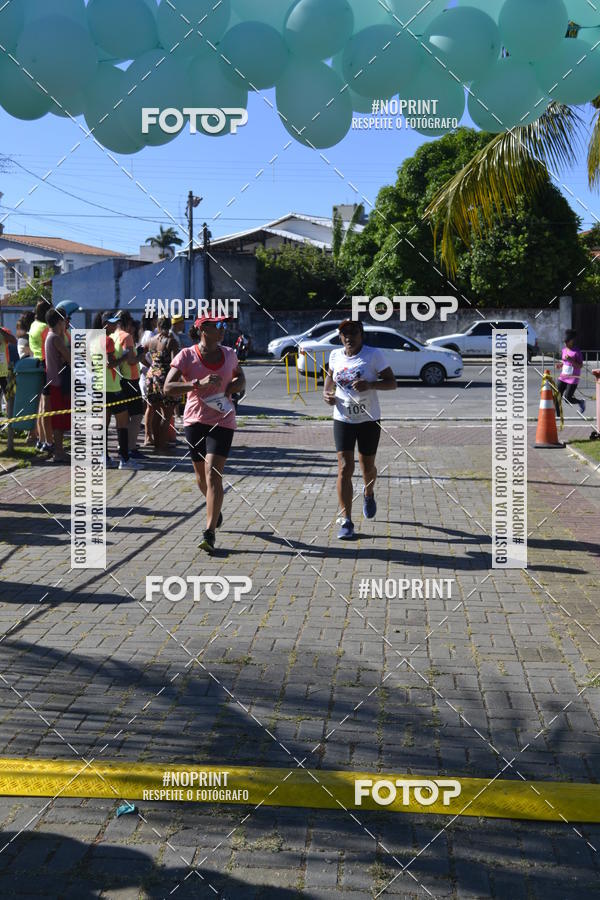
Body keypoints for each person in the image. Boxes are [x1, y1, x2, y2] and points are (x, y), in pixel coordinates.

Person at [164, 315, 245, 555]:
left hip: (223, 420)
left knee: (213, 474)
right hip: (195, 420)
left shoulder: (230, 353)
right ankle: (215, 509)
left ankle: (209, 532)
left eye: (223, 326)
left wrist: (235, 386)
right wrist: (197, 383)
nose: (223, 329)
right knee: (201, 476)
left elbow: (240, 377)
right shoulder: (187, 356)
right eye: (217, 326)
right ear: (202, 330)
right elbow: (167, 388)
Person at [323, 320, 396, 540]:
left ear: (361, 335)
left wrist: (371, 385)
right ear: (340, 336)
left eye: (353, 332)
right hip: (343, 419)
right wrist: (327, 394)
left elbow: (392, 382)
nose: (349, 337)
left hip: (368, 420)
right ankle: (346, 520)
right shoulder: (335, 355)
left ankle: (368, 492)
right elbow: (329, 377)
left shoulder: (374, 355)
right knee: (345, 467)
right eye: (344, 333)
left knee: (368, 467)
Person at [94, 311, 137, 470]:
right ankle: (124, 460)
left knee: (103, 424)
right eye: (113, 323)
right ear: (105, 324)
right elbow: (110, 364)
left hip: (98, 386)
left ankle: (104, 458)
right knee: (122, 423)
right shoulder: (107, 340)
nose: (115, 325)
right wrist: (125, 356)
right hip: (112, 387)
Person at [112, 310, 146, 459]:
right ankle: (131, 447)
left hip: (119, 380)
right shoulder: (127, 337)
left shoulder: (112, 335)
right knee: (137, 415)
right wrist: (141, 354)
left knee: (124, 417)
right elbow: (131, 360)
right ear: (127, 323)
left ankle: (124, 446)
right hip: (130, 379)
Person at [146, 317, 179, 453]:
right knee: (167, 413)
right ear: (170, 325)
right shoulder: (171, 341)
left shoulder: (151, 341)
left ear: (158, 326)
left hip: (151, 376)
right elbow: (175, 363)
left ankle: (156, 443)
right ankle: (161, 444)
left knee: (155, 410)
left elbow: (142, 355)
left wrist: (152, 367)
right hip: (165, 379)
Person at [44, 308, 71, 463]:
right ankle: (59, 451)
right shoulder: (56, 338)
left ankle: (59, 450)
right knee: (59, 420)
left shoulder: (51, 336)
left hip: (53, 381)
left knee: (58, 418)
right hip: (58, 383)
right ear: (59, 321)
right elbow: (70, 358)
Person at [28, 298, 54, 453]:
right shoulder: (44, 327)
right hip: (45, 363)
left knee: (40, 405)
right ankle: (47, 441)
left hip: (35, 362)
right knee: (46, 405)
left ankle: (40, 439)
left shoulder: (33, 325)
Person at [555, 329, 586, 416]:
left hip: (573, 378)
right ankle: (558, 416)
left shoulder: (577, 351)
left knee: (567, 398)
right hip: (563, 376)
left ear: (571, 341)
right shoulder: (564, 350)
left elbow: (580, 366)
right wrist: (560, 365)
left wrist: (571, 360)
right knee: (556, 396)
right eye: (564, 342)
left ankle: (581, 402)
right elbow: (565, 362)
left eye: (567, 342)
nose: (565, 344)